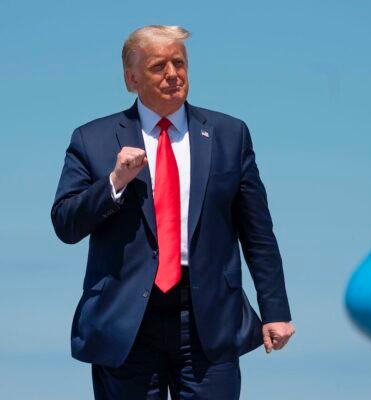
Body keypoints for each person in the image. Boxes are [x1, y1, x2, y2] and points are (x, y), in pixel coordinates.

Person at [50, 25, 294, 399]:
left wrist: (275, 308)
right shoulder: (91, 139)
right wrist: (114, 182)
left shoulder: (230, 134)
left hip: (208, 319)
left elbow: (258, 232)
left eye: (179, 63)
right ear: (132, 79)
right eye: (158, 66)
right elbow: (66, 224)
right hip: (125, 323)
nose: (172, 74)